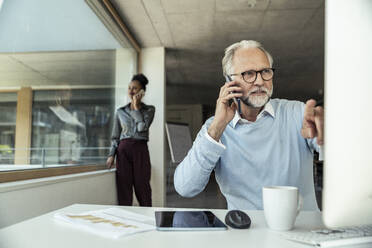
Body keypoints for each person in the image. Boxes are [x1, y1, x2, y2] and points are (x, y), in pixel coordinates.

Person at [174, 40, 324, 210]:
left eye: (265, 71)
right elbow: (185, 187)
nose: (260, 81)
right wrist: (217, 127)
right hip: (244, 230)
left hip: (300, 231)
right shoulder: (214, 127)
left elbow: (342, 154)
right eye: (249, 73)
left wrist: (330, 133)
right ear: (229, 81)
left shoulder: (298, 113)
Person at [106, 73, 155, 206]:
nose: (131, 91)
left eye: (134, 88)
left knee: (142, 185)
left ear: (142, 91)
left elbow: (142, 128)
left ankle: (148, 216)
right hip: (123, 150)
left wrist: (136, 107)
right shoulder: (120, 111)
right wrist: (111, 154)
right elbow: (116, 135)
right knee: (123, 186)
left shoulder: (149, 110)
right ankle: (125, 219)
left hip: (140, 149)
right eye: (129, 88)